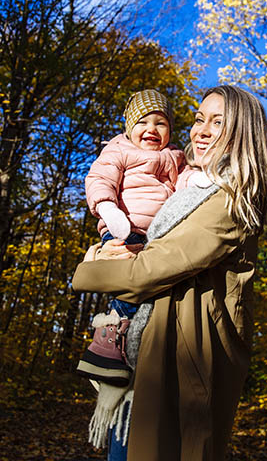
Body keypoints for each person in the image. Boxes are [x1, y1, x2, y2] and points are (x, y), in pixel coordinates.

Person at [72, 85, 267, 461]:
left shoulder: (231, 199)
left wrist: (90, 268)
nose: (200, 129)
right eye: (199, 119)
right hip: (151, 353)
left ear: (242, 133)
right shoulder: (191, 186)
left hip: (183, 363)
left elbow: (154, 267)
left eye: (218, 122)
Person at [77, 89, 189, 386]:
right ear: (129, 127)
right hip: (123, 227)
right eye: (143, 122)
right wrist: (107, 207)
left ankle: (128, 348)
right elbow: (99, 178)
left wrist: (200, 180)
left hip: (157, 236)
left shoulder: (176, 156)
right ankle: (108, 341)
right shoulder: (118, 150)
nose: (152, 129)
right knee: (128, 286)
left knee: (151, 290)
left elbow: (189, 183)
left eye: (160, 123)